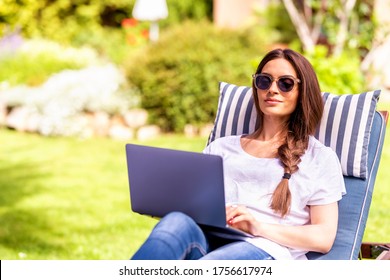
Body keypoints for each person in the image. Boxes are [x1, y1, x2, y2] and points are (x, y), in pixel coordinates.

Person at [130, 48, 346, 260]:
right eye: (264, 80)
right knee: (175, 222)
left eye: (285, 83)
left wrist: (257, 226)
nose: (272, 89)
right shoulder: (221, 148)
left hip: (266, 249)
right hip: (209, 238)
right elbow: (196, 202)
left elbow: (323, 238)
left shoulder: (319, 158)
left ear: (302, 92)